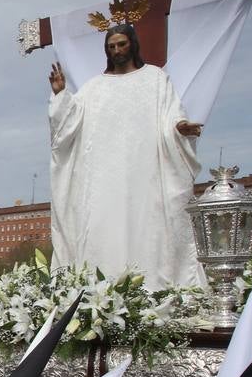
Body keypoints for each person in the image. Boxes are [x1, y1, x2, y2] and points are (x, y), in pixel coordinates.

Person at [47, 22, 206, 288]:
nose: (117, 50)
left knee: (148, 229)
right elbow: (68, 124)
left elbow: (171, 113)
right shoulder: (94, 87)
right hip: (102, 179)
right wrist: (61, 95)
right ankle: (98, 295)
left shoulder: (155, 79)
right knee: (101, 232)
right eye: (111, 46)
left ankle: (154, 290)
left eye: (121, 44)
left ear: (132, 44)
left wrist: (179, 128)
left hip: (145, 175)